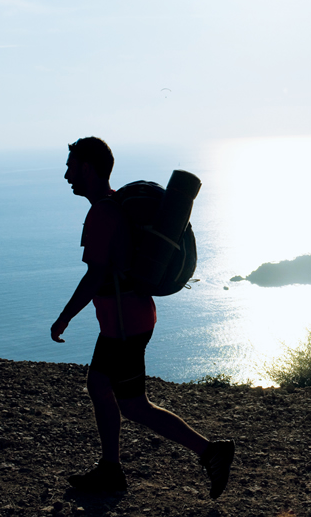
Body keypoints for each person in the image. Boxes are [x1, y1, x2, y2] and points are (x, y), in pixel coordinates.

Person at [51, 137, 234, 498]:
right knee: (100, 386)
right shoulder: (113, 203)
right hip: (124, 320)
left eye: (71, 166)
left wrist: (64, 317)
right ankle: (109, 469)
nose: (67, 174)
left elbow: (95, 275)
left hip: (125, 324)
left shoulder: (103, 212)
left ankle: (211, 451)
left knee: (133, 404)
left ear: (87, 167)